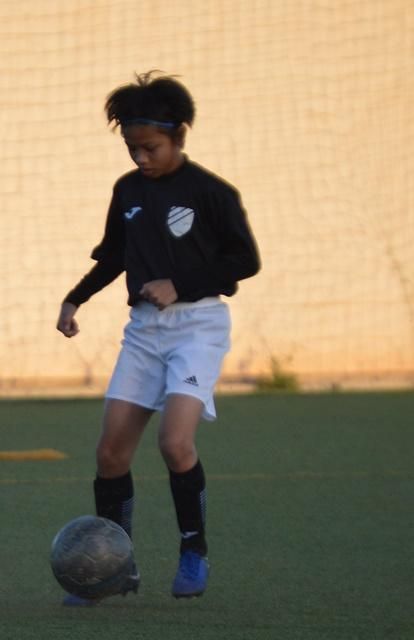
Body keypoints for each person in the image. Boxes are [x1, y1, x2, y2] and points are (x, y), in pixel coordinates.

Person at [56, 71, 260, 605]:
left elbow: (245, 261)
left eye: (150, 147)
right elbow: (115, 256)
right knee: (110, 454)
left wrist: (183, 284)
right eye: (131, 148)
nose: (140, 158)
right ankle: (114, 566)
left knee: (175, 443)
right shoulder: (126, 190)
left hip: (198, 327)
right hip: (144, 331)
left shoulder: (212, 193)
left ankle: (194, 549)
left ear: (180, 134)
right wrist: (75, 298)